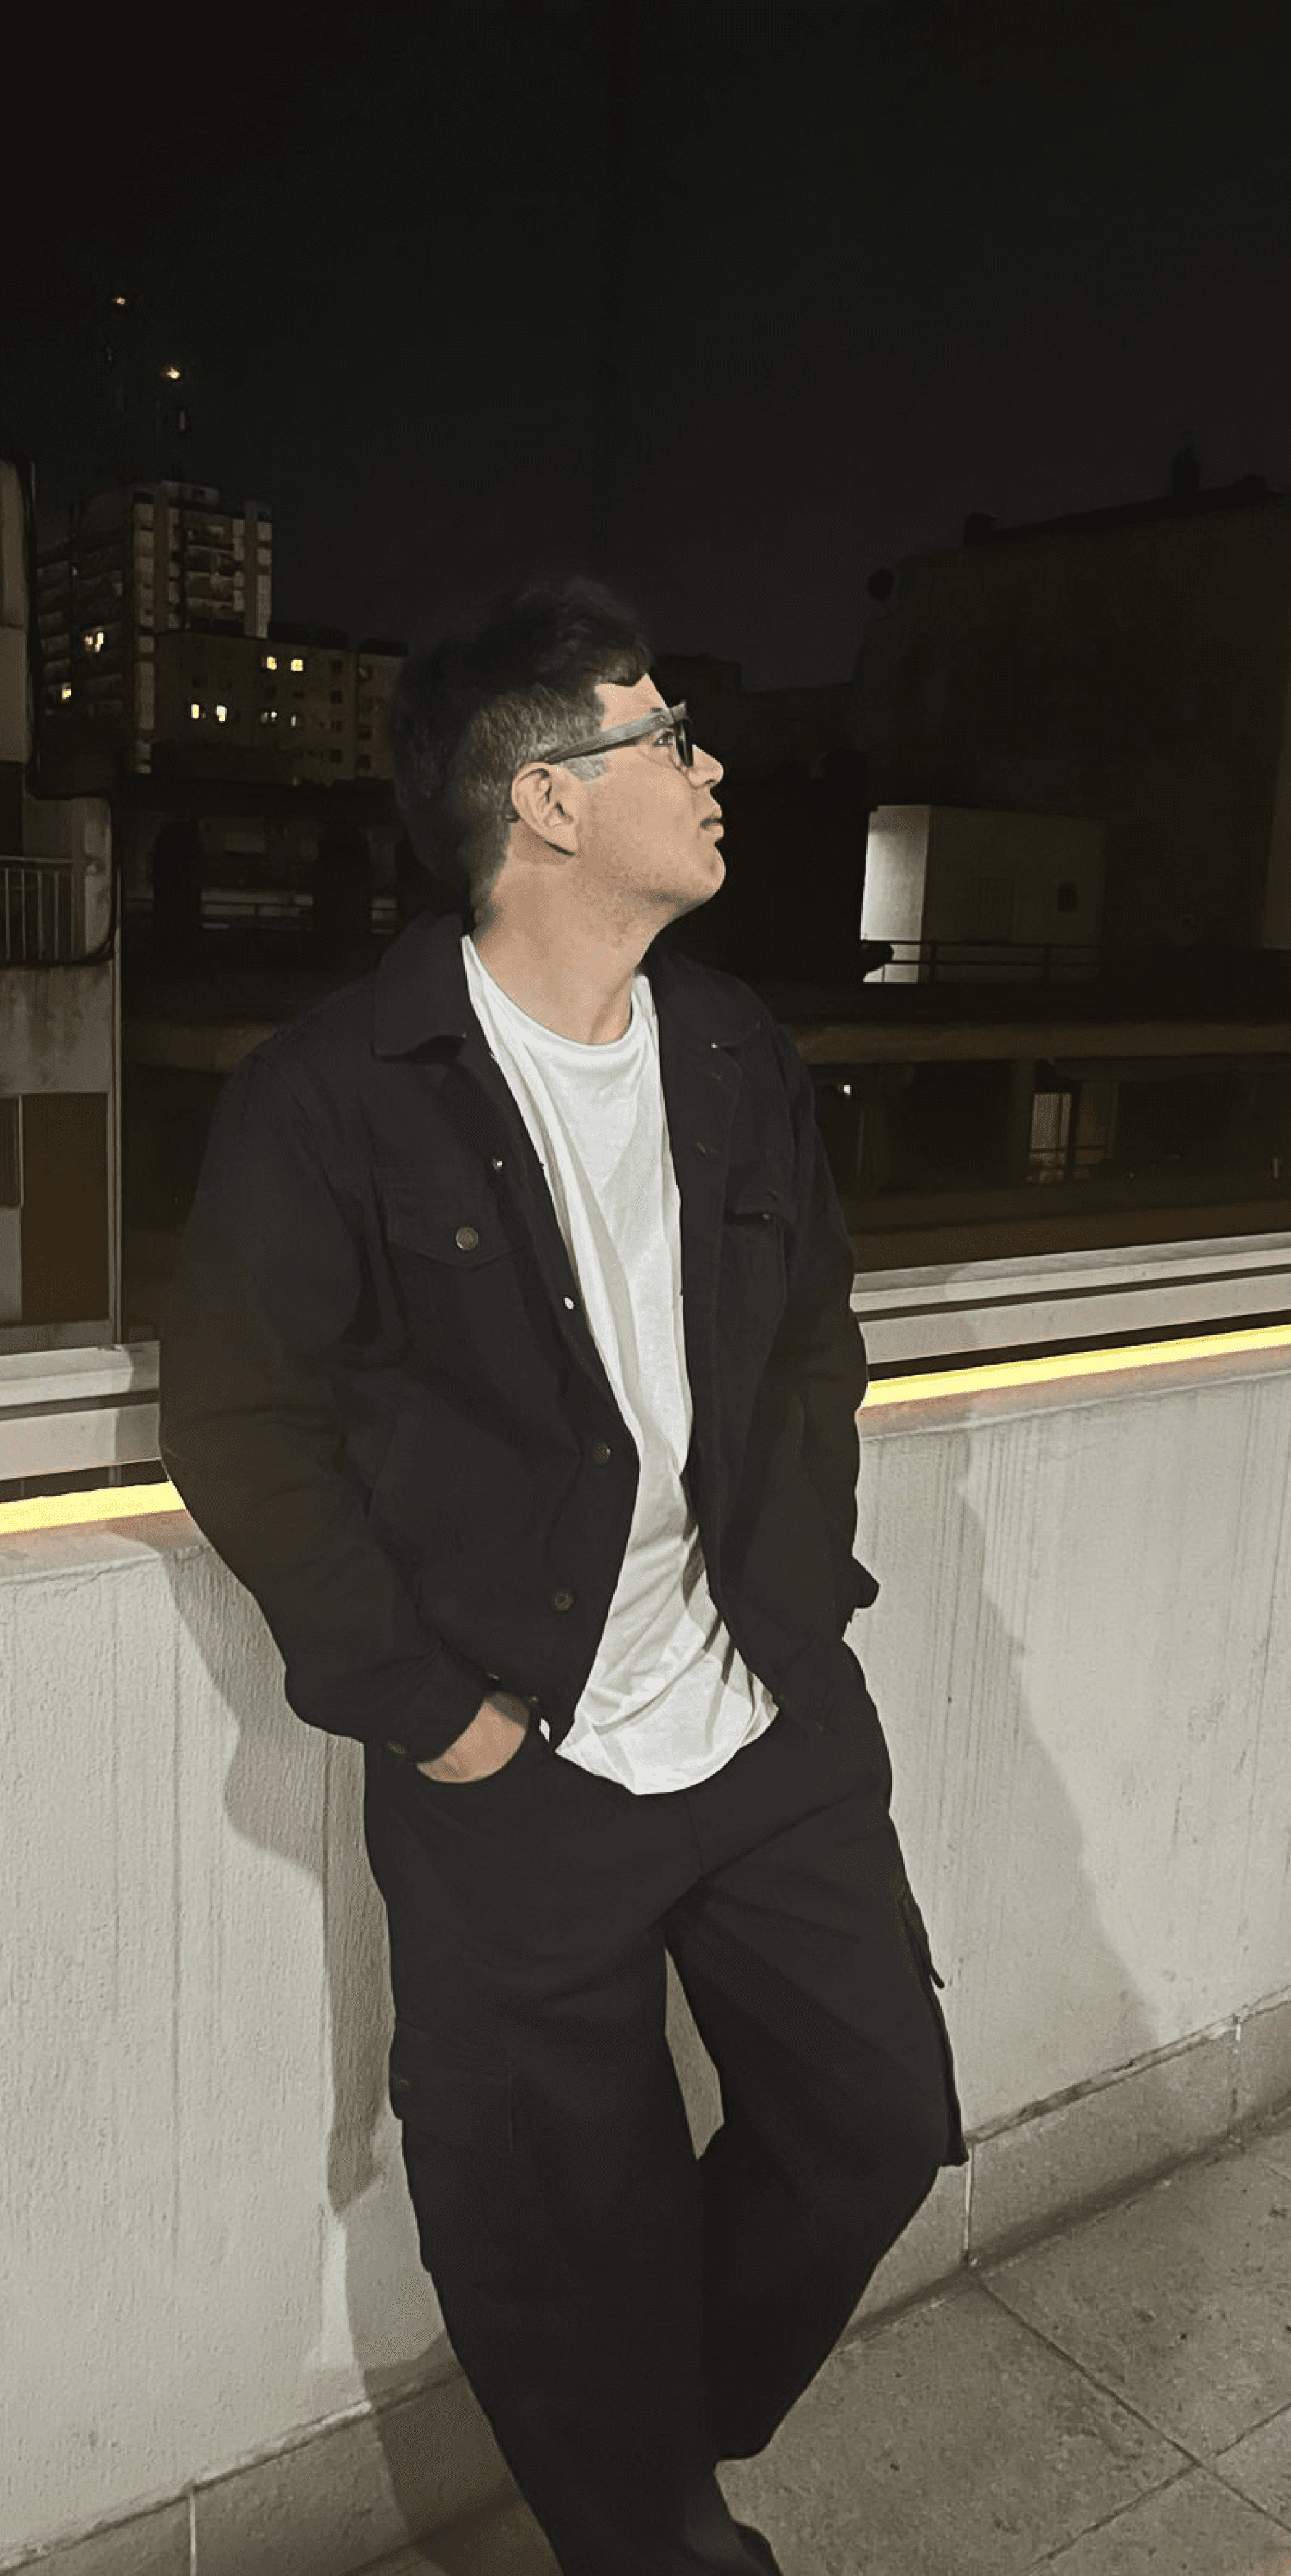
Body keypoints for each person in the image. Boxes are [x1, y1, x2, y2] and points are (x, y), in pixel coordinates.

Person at [158, 574, 966, 2576]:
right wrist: (440, 1722)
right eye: (666, 732)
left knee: (871, 2123)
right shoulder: (336, 1093)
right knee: (553, 2225)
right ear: (545, 799)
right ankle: (652, 2524)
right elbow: (242, 1426)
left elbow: (814, 1342)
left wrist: (798, 1581)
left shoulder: (736, 1050)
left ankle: (646, 2421)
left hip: (764, 1715)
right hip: (511, 1767)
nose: (710, 766)